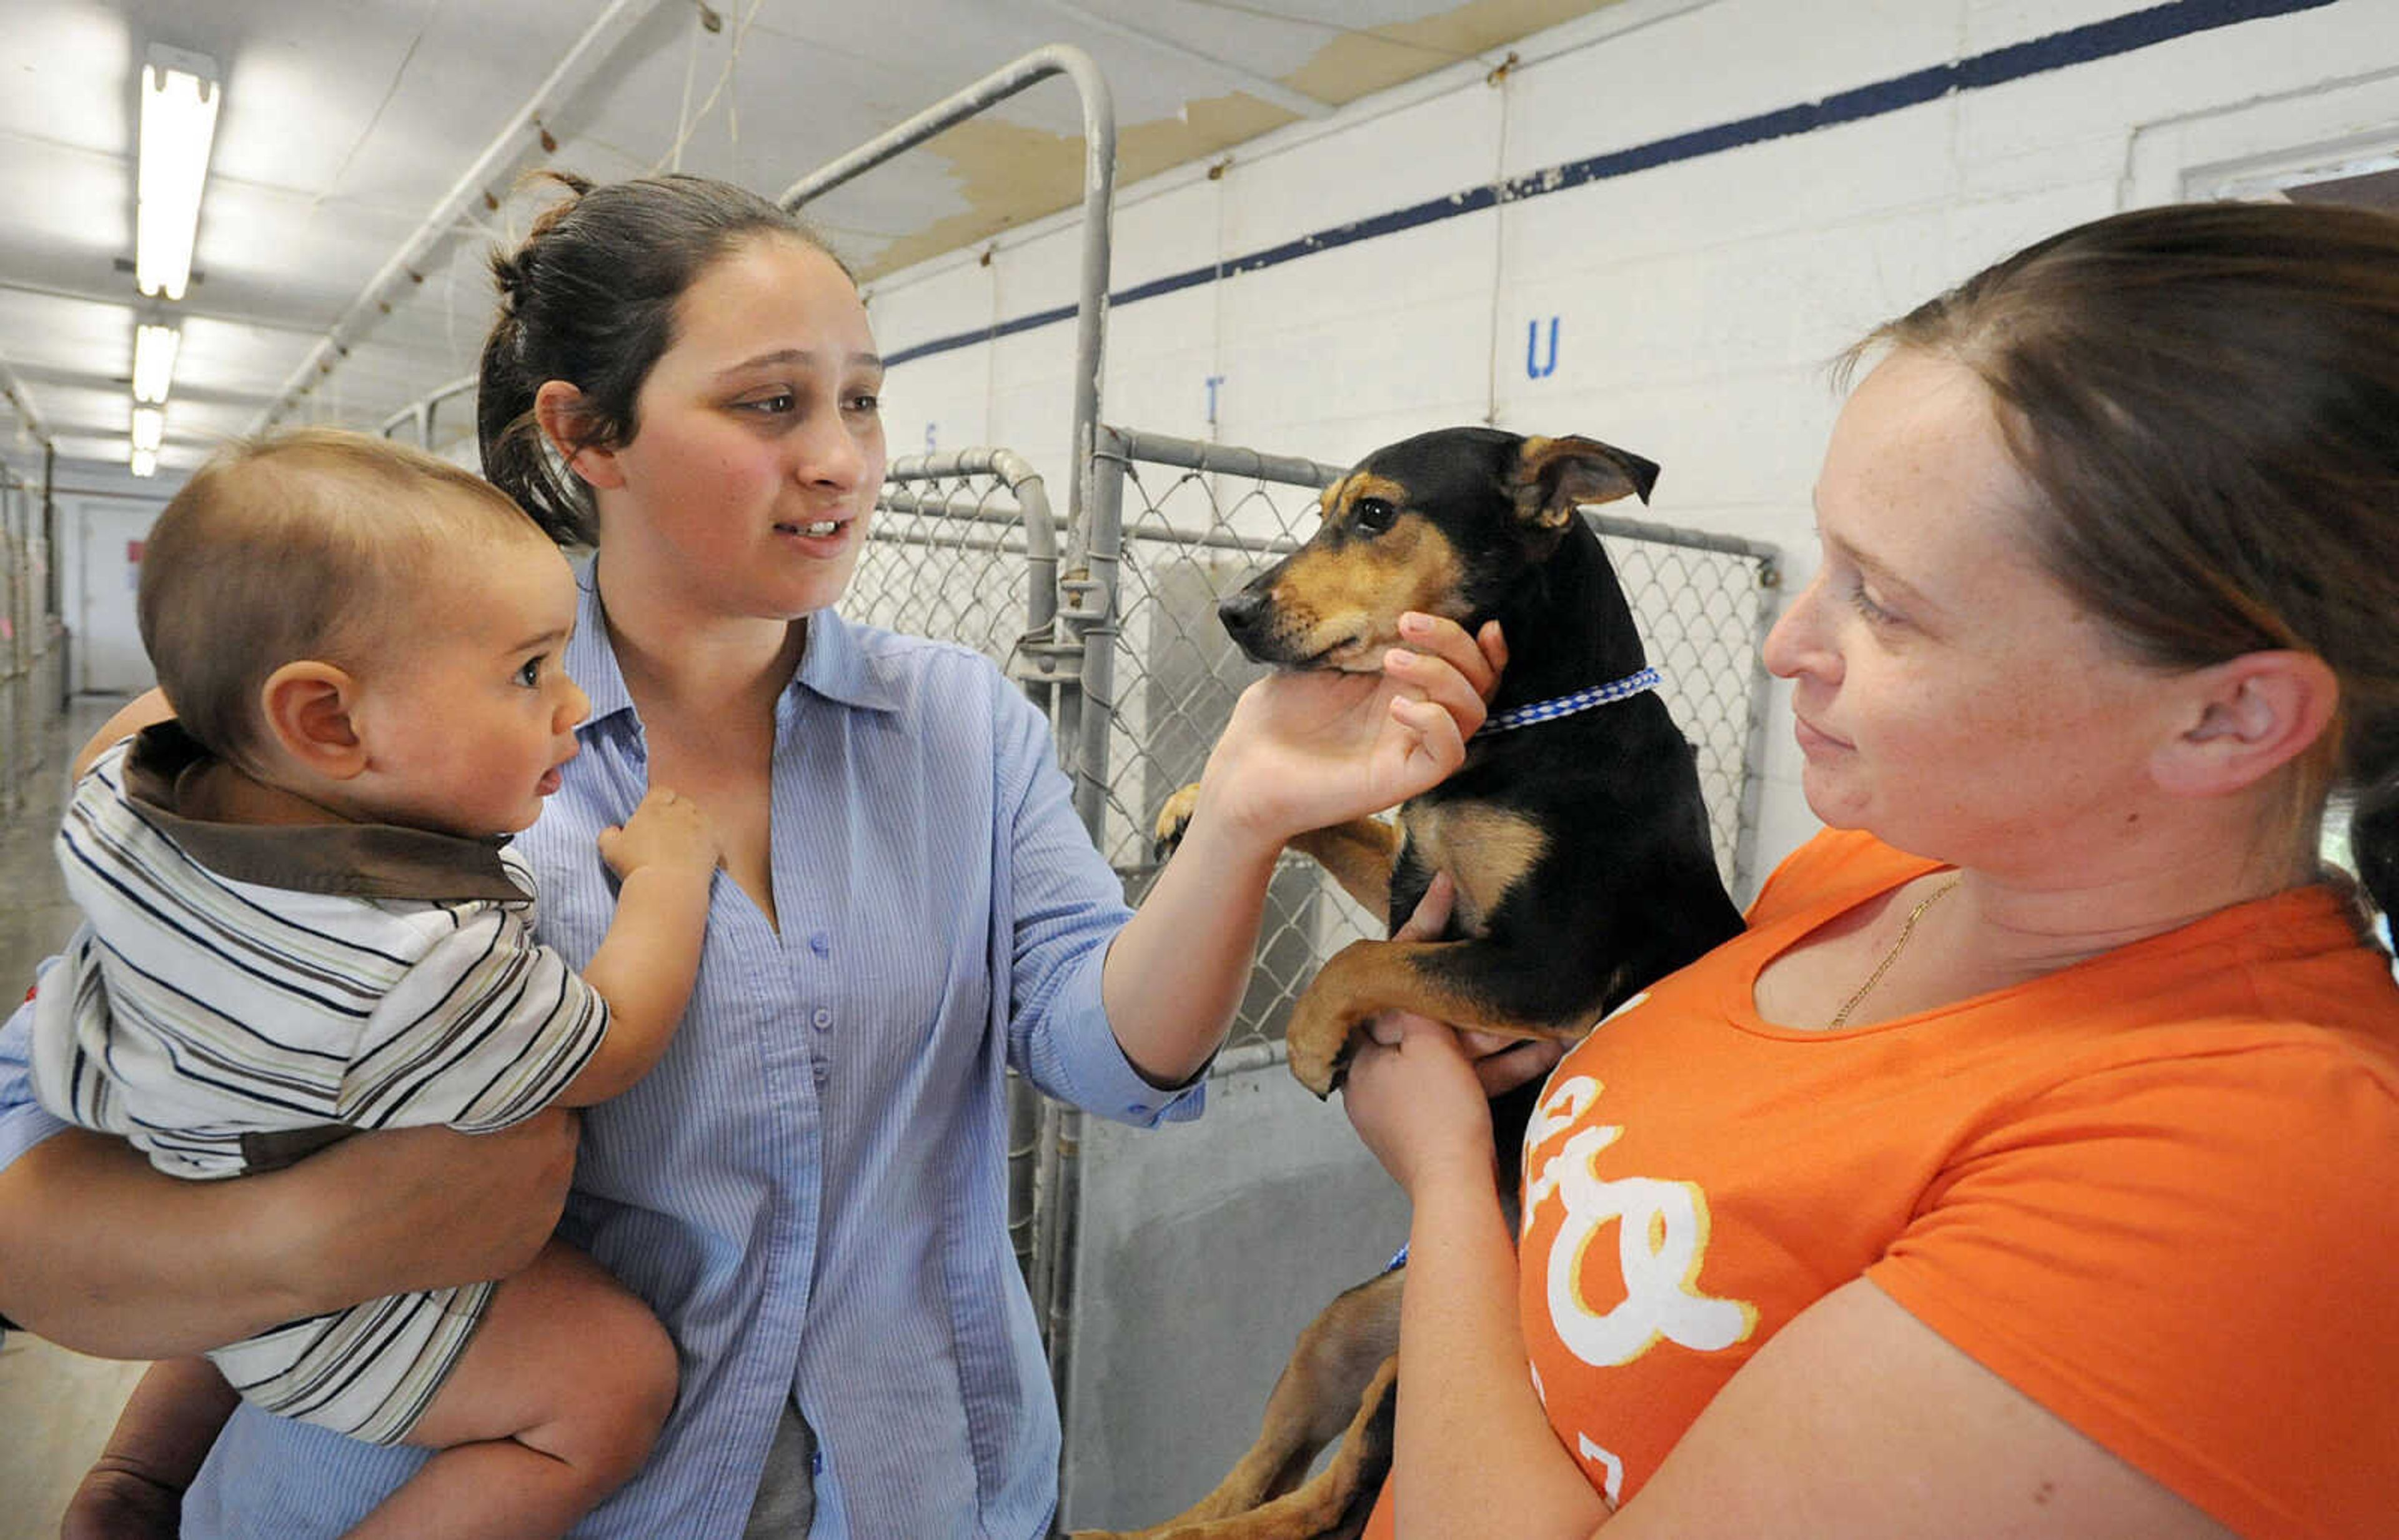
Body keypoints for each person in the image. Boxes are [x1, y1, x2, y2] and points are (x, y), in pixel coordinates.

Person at [0, 171, 1505, 1539]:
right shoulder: (396, 726)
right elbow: (60, 1113)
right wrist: (291, 1247)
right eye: (771, 406)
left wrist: (1245, 812)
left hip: (925, 1488)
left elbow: (1103, 1049)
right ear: (588, 435)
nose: (844, 460)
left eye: (861, 400)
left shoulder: (958, 726)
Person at [1339, 199, 2399, 1540]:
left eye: (1884, 604)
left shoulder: (2250, 1168)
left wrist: (1442, 1175)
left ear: (2227, 717)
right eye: (1826, 556)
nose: (1789, 642)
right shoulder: (1862, 871)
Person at [31, 429, 722, 1539]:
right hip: (348, 1314)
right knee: (612, 1385)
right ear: (326, 720)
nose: (573, 703)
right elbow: (614, 1041)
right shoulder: (414, 963)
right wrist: (670, 880)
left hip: (184, 1157)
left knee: (234, 1324)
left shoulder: (122, 794)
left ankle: (135, 1480)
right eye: (528, 670)